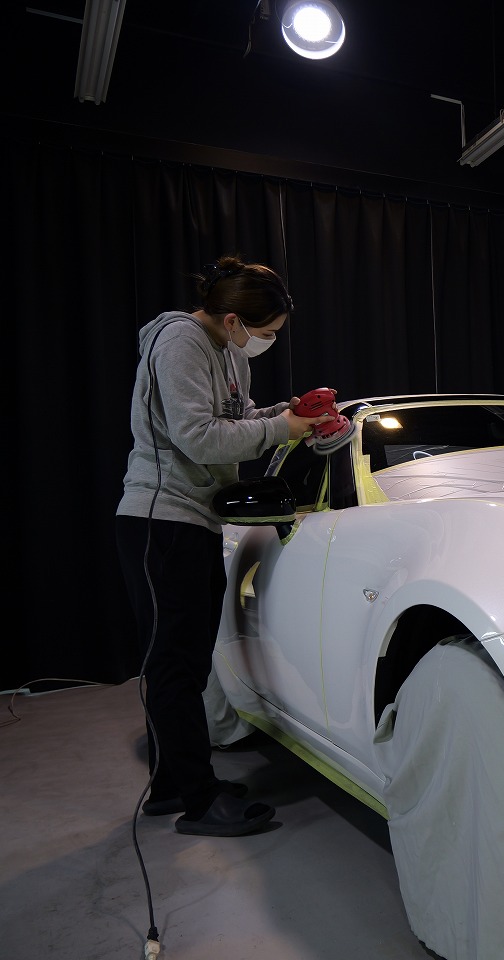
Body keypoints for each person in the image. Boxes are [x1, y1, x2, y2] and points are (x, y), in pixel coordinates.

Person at [115, 253, 331, 837]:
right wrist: (280, 429)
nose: (266, 342)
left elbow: (237, 420)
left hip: (198, 520)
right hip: (161, 519)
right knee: (173, 664)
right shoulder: (178, 343)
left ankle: (173, 785)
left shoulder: (229, 352)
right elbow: (198, 437)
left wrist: (287, 414)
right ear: (233, 319)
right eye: (265, 332)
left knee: (187, 660)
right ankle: (198, 800)